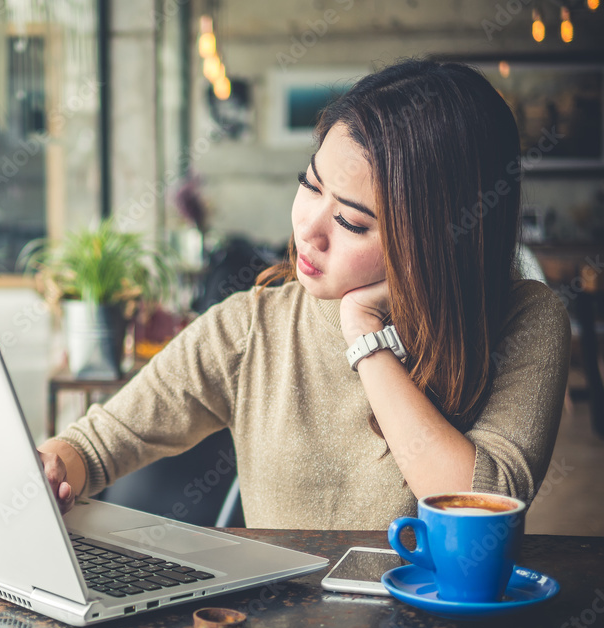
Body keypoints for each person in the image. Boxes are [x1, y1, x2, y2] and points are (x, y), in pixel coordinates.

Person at [37, 59, 571, 530]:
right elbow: (99, 443)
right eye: (310, 185)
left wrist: (366, 337)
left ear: (434, 242)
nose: (307, 231)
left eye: (351, 221)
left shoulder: (525, 320)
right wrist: (56, 465)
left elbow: (478, 507)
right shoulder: (252, 327)